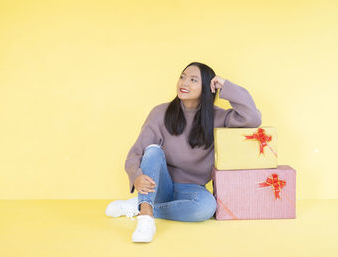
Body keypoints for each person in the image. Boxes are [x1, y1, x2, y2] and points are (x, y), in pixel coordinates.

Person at [105, 62, 262, 243]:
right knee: (153, 151)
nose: (184, 83)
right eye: (182, 77)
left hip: (192, 190)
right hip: (159, 186)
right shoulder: (160, 113)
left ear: (206, 88)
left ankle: (141, 205)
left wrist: (225, 85)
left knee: (207, 208)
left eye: (193, 80)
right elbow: (137, 152)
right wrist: (136, 175)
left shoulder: (218, 117)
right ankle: (146, 216)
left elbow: (252, 118)